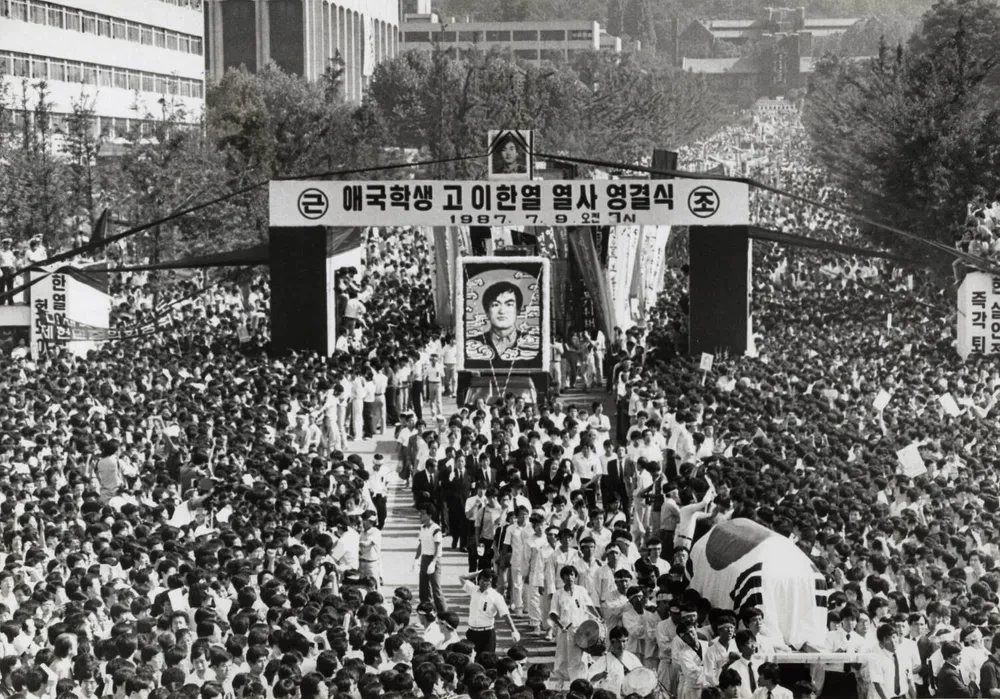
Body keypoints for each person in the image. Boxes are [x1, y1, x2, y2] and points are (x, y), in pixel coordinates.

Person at [465, 281, 539, 365]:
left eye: (509, 304)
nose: (502, 311)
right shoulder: (471, 345)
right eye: (495, 305)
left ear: (518, 311)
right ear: (487, 312)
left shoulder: (533, 343)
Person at [550, 565, 600, 682]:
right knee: (563, 656)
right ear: (562, 578)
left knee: (580, 657)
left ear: (575, 576)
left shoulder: (581, 590)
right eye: (566, 575)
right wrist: (561, 626)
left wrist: (598, 618)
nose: (569, 577)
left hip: (582, 630)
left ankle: (578, 681)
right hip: (565, 631)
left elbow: (590, 606)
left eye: (572, 574)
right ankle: (561, 680)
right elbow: (553, 613)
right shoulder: (558, 594)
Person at [457, 569, 520, 653]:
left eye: (488, 581)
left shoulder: (496, 596)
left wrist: (514, 630)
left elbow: (505, 614)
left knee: (487, 659)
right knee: (471, 659)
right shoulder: (473, 590)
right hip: (471, 633)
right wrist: (478, 572)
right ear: (479, 579)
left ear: (492, 582)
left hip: (487, 634)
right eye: (483, 579)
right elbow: (461, 577)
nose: (485, 583)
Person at [589, 625, 643, 695]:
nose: (621, 645)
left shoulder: (632, 658)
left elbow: (641, 674)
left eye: (624, 641)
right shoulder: (605, 660)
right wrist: (601, 675)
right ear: (612, 642)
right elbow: (590, 677)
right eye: (618, 642)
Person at [415, 504, 448, 614]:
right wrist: (416, 559)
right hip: (424, 559)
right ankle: (427, 611)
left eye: (423, 513)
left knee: (436, 589)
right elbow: (421, 545)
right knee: (424, 588)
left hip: (434, 560)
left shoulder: (436, 529)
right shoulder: (422, 527)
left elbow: (438, 548)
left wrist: (433, 562)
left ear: (430, 515)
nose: (420, 515)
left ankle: (443, 613)